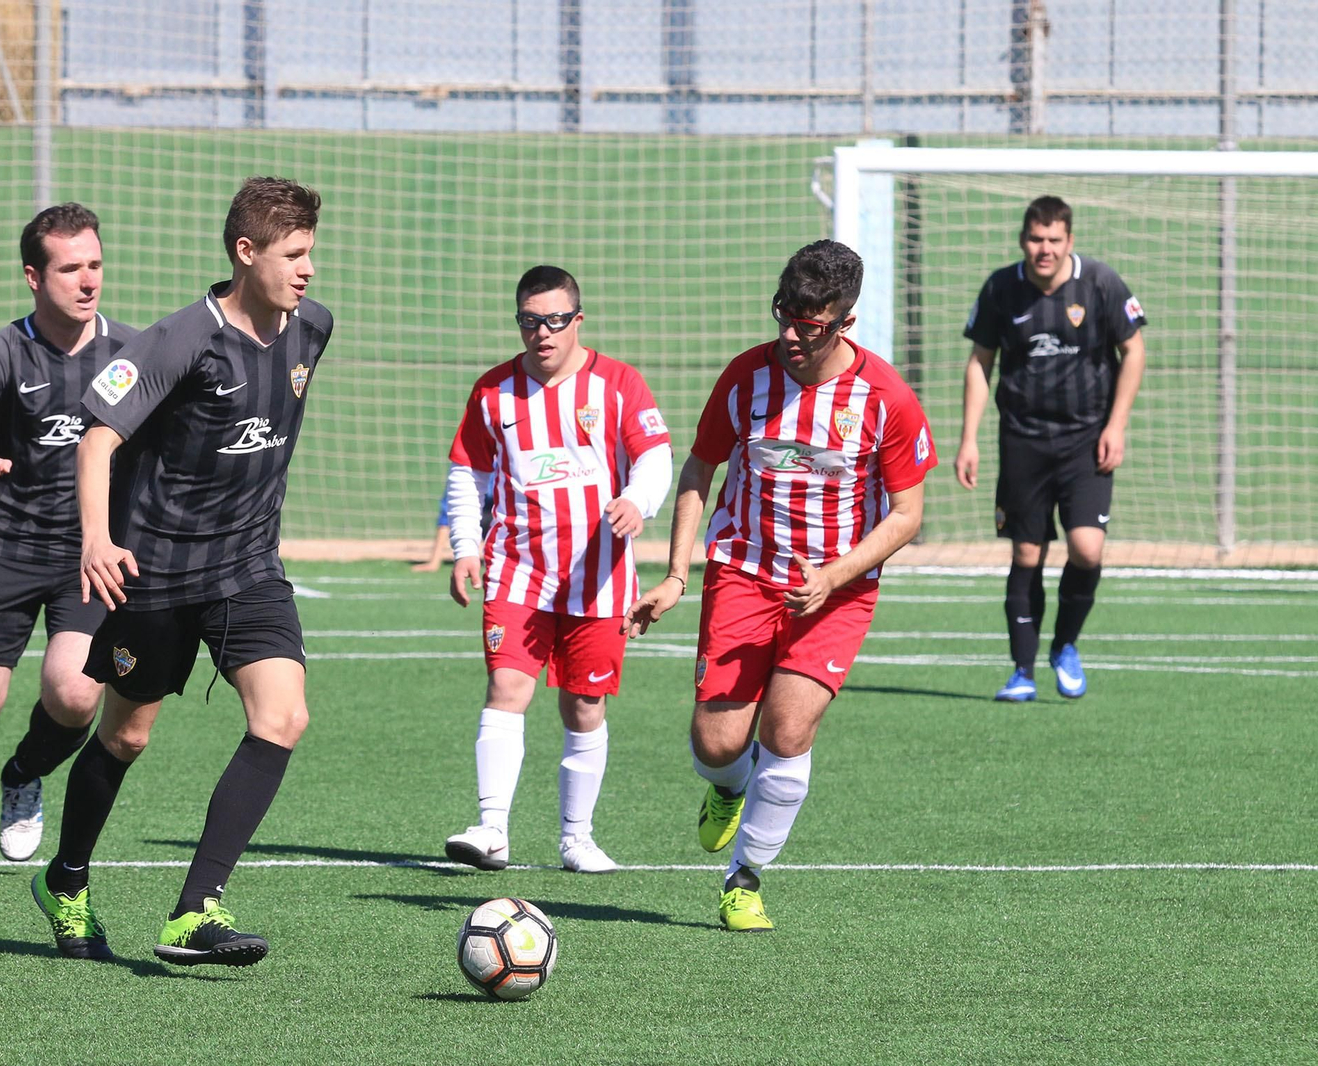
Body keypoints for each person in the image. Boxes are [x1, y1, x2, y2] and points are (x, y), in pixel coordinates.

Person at [29, 176, 332, 966]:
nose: (307, 268)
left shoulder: (313, 330)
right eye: (292, 253)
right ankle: (66, 880)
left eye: (312, 252)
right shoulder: (176, 341)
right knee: (125, 737)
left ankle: (194, 910)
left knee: (283, 717)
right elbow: (96, 440)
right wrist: (97, 540)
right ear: (245, 252)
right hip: (155, 577)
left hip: (249, 571)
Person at [624, 240, 936, 931]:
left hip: (838, 587)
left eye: (810, 324)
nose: (792, 335)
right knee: (716, 745)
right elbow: (699, 471)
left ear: (844, 323)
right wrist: (676, 574)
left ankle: (745, 878)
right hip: (743, 573)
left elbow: (908, 514)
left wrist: (833, 576)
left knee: (789, 728)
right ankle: (729, 789)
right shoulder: (745, 378)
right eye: (784, 316)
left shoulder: (886, 398)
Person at [0, 203, 138, 874]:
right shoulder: (4, 350)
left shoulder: (132, 352)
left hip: (89, 553)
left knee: (75, 694)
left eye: (95, 264)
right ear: (34, 277)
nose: (87, 280)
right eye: (70, 267)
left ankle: (24, 773)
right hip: (7, 544)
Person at [442, 265, 672, 874]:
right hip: (519, 569)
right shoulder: (494, 391)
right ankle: (492, 829)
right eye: (528, 321)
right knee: (507, 688)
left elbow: (655, 458)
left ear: (577, 321)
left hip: (600, 579)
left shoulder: (618, 384)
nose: (541, 333)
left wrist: (637, 501)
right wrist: (466, 545)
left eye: (554, 321)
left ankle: (577, 838)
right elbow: (469, 472)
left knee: (584, 706)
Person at [955, 196, 1147, 702]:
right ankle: (1021, 671)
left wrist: (1117, 426)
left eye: (1054, 240)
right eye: (1036, 239)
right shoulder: (1001, 287)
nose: (1045, 249)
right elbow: (980, 362)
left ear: (1069, 241)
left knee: (1087, 548)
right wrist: (969, 438)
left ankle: (1064, 645)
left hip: (1087, 439)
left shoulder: (1101, 283)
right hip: (1023, 440)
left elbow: (1134, 350)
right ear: (1023, 240)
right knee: (1026, 551)